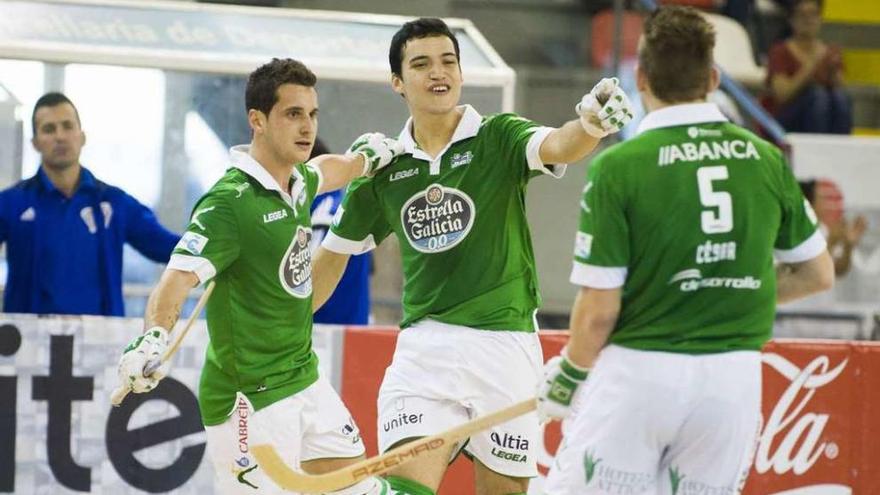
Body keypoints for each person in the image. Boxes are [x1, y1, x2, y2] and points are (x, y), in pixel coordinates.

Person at [312, 17, 634, 495]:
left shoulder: (499, 137)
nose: (438, 72)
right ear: (398, 82)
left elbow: (560, 144)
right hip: (425, 352)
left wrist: (591, 123)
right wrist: (282, 327)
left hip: (505, 349)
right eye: (421, 64)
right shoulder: (384, 168)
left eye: (447, 61)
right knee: (404, 490)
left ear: (460, 74)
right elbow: (333, 257)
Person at [537, 6, 835, 494]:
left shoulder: (619, 166)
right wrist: (729, 294)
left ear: (644, 78)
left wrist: (569, 374)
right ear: (714, 77)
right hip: (732, 382)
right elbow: (818, 274)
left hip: (640, 373)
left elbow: (597, 313)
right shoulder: (763, 158)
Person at [114, 58, 404, 494]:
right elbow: (175, 282)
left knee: (361, 490)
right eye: (292, 114)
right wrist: (152, 338)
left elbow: (333, 169)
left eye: (312, 114)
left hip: (304, 379)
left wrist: (368, 158)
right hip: (247, 401)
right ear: (257, 120)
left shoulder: (299, 180)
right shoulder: (227, 204)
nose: (306, 127)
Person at [0, 92, 179, 316]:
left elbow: (169, 248)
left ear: (82, 136)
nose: (60, 136)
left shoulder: (114, 203)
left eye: (67, 126)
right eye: (49, 129)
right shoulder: (12, 203)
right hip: (29, 344)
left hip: (100, 343)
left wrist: (220, 247)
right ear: (35, 143)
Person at [763, 0, 852, 134]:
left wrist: (833, 74)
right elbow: (782, 95)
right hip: (786, 118)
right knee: (817, 96)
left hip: (824, 115)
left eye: (813, 15)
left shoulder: (829, 51)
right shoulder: (780, 51)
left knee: (840, 98)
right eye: (802, 15)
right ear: (792, 20)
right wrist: (811, 66)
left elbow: (841, 89)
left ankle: (842, 148)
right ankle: (815, 148)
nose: (808, 20)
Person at [309, 139, 371, 325]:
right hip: (347, 333)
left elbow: (301, 282)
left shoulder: (325, 213)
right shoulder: (342, 207)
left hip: (324, 334)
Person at [800, 178, 867, 277]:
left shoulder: (822, 229)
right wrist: (832, 243)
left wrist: (848, 246)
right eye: (825, 198)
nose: (833, 205)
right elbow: (806, 273)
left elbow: (837, 270)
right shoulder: (790, 230)